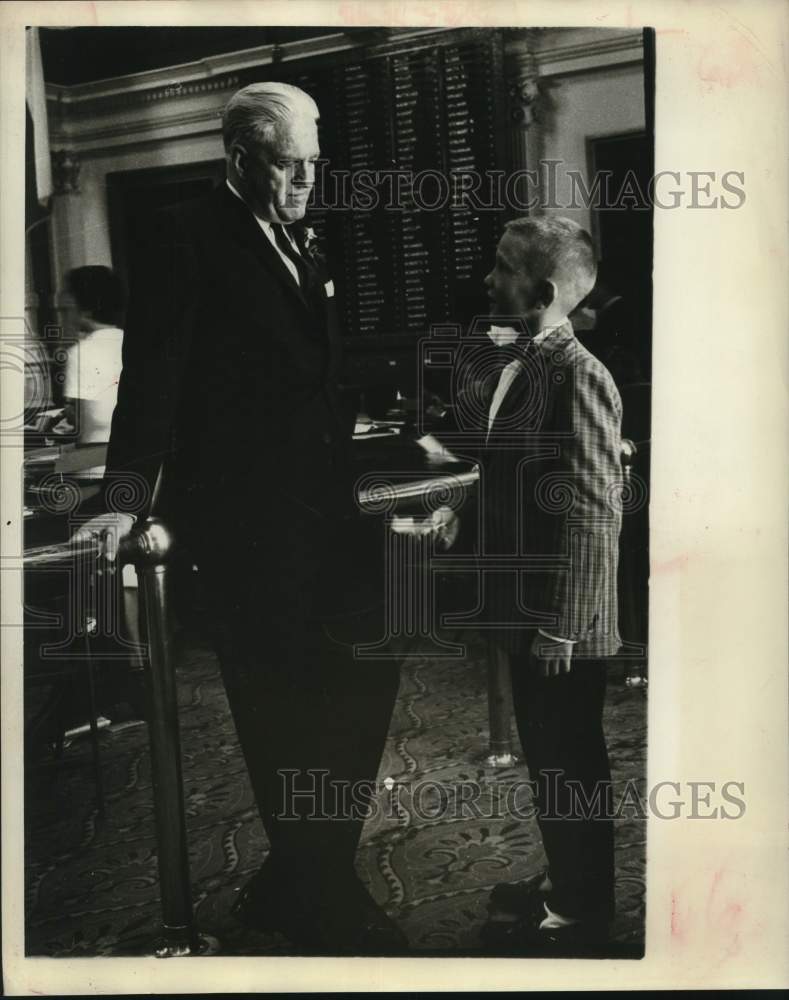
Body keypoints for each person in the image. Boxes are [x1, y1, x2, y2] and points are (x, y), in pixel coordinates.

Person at [73, 82, 404, 954]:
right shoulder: (185, 235)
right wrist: (120, 500)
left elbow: (312, 385)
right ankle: (324, 889)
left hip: (327, 515)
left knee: (370, 669)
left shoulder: (300, 240)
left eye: (313, 163)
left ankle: (299, 873)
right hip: (246, 532)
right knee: (283, 710)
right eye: (288, 164)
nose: (305, 180)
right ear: (241, 157)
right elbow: (152, 381)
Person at [475, 216, 624, 955]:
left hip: (560, 624)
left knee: (569, 763)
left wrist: (563, 625)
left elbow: (595, 514)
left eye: (500, 269)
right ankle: (567, 882)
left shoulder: (579, 375)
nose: (486, 279)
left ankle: (580, 910)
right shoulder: (527, 365)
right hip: (535, 616)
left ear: (537, 291)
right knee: (551, 758)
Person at [61, 266, 124, 443]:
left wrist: (69, 411)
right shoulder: (131, 344)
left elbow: (79, 421)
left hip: (94, 457)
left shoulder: (80, 353)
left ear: (85, 308)